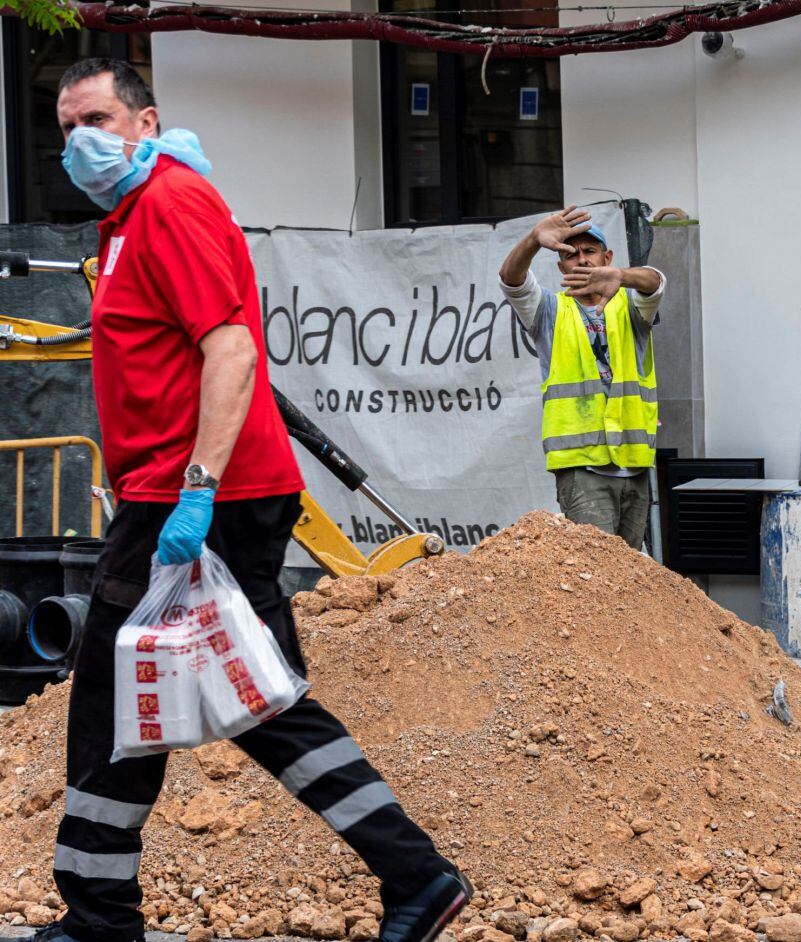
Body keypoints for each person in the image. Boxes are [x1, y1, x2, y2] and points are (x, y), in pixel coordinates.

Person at [41, 58, 470, 942]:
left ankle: (98, 916)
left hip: (200, 495)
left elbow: (231, 352)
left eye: (95, 119)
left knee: (121, 693)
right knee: (253, 699)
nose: (77, 141)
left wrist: (194, 493)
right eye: (63, 127)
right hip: (181, 490)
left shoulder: (171, 204)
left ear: (146, 122)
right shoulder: (128, 217)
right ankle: (415, 875)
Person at [499, 206, 665, 549]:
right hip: (583, 471)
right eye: (572, 254)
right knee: (599, 572)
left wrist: (622, 276)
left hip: (633, 466)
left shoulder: (631, 307)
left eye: (591, 252)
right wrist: (533, 239)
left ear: (608, 257)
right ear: (561, 266)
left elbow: (656, 282)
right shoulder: (549, 311)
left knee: (634, 577)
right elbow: (511, 280)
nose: (584, 261)